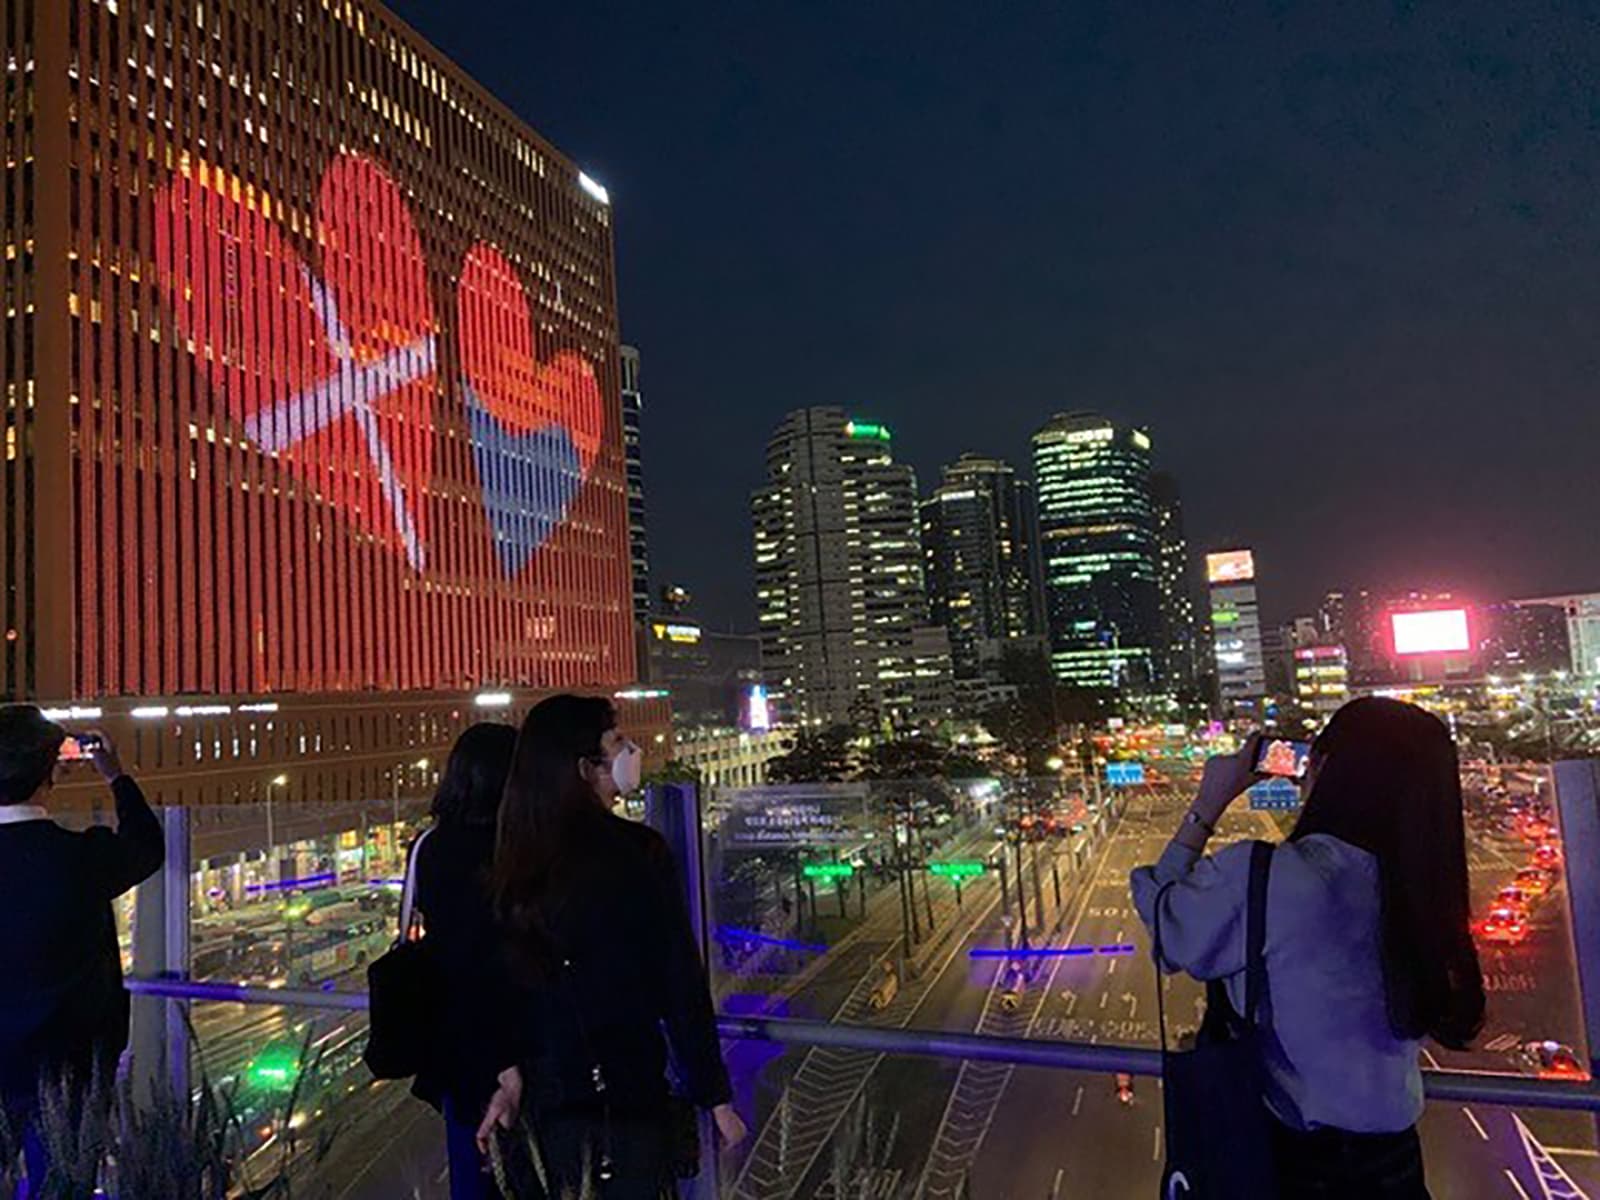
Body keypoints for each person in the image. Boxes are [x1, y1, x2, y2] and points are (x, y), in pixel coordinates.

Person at [1130, 698, 1484, 1198]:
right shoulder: (1424, 886)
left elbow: (1167, 922)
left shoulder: (1273, 875)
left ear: (1321, 767)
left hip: (1292, 1162)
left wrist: (1208, 803)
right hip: (1398, 1167)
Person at [476, 695, 746, 1197]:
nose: (631, 750)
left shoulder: (513, 859)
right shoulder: (636, 853)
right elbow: (678, 981)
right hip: (627, 1096)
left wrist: (507, 1076)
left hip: (545, 1102)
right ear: (585, 768)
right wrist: (715, 1095)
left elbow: (498, 988)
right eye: (617, 742)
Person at [0, 708, 163, 1194]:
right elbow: (146, 846)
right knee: (65, 1183)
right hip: (72, 1065)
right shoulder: (81, 859)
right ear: (49, 776)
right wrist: (115, 775)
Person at [411, 722, 520, 1200]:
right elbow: (491, 958)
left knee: (473, 1171)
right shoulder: (510, 851)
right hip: (508, 1045)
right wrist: (507, 1063)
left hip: (455, 1040)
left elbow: (452, 952)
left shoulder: (431, 847)